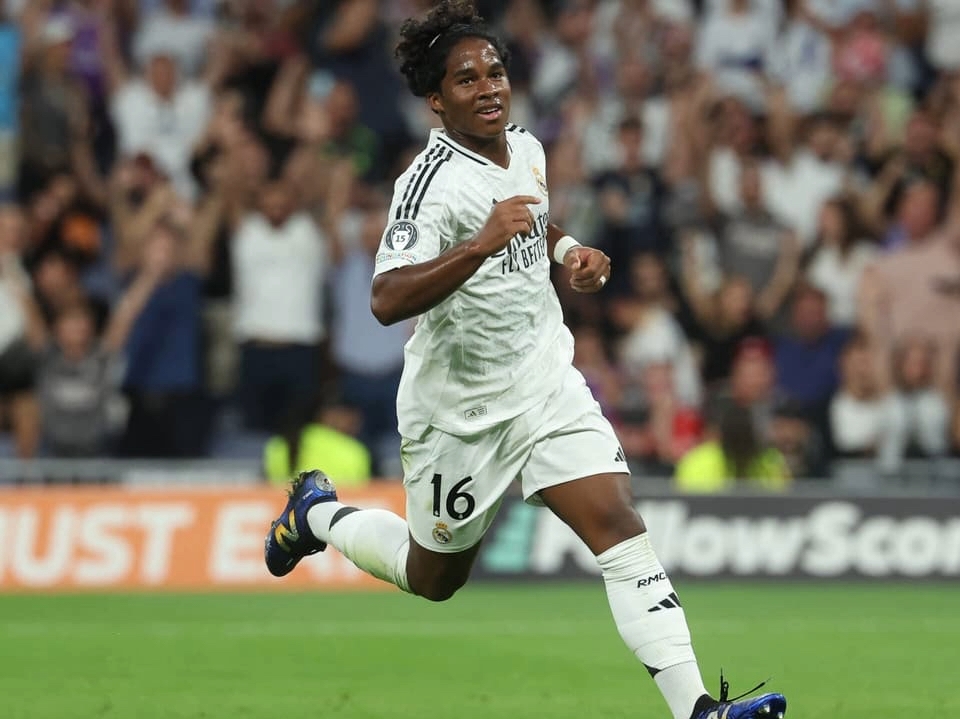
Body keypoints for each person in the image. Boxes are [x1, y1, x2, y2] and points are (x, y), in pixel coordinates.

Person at [261, 4, 786, 719]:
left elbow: (535, 220)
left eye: (496, 72)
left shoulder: (527, 147)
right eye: (467, 79)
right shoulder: (426, 184)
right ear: (436, 99)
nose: (488, 88)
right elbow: (386, 297)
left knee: (618, 526)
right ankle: (318, 515)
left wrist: (569, 251)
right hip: (460, 412)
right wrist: (478, 244)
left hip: (544, 381)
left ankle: (697, 708)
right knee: (433, 576)